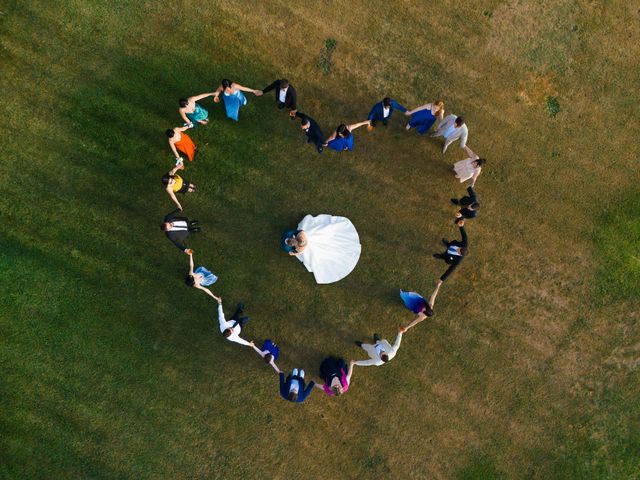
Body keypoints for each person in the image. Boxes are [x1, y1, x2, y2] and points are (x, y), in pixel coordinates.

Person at [282, 214, 361, 284]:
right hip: (310, 241)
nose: (292, 243)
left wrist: (295, 252)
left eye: (291, 242)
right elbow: (301, 241)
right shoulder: (300, 239)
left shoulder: (300, 243)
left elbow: (301, 249)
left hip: (311, 242)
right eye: (291, 242)